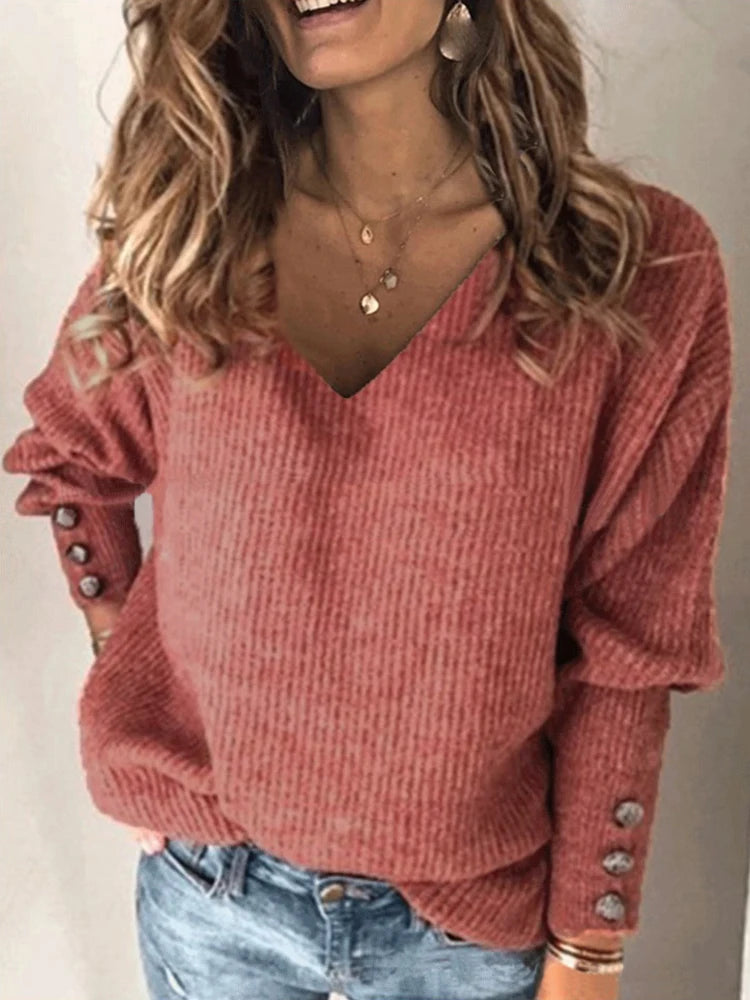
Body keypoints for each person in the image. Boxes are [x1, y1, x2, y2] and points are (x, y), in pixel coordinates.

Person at [3, 0, 734, 998]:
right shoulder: (197, 232)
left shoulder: (635, 271)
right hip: (212, 903)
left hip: (467, 939)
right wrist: (125, 680)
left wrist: (589, 943)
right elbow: (70, 463)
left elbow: (630, 647)